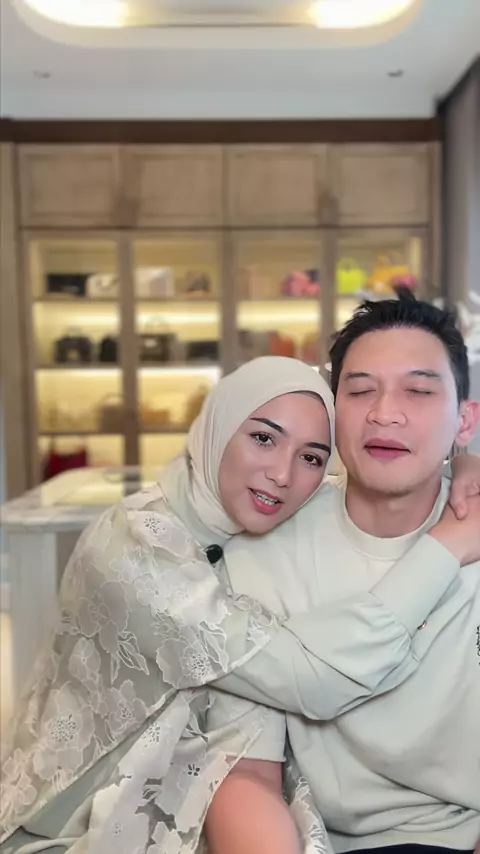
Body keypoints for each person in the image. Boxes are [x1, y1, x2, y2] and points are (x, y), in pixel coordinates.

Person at [0, 353, 478, 854]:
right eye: (264, 438)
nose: (282, 474)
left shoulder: (247, 533)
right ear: (218, 426)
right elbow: (315, 678)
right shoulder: (133, 548)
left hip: (199, 796)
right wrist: (448, 545)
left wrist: (462, 461)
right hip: (81, 819)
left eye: (311, 457)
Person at [205, 294, 480, 854]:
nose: (385, 413)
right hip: (316, 839)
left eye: (419, 391)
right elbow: (246, 771)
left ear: (465, 420)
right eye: (359, 390)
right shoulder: (261, 550)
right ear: (333, 415)